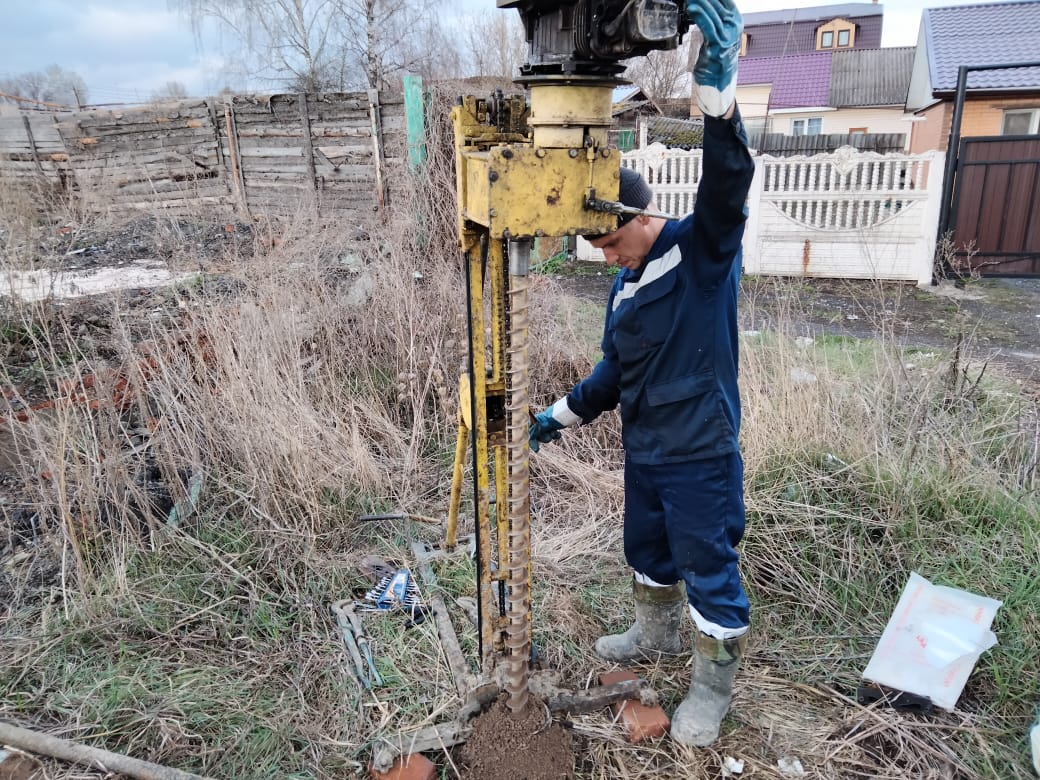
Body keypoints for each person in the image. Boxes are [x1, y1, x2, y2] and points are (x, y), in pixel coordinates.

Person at [528, 0, 753, 748]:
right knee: (648, 549)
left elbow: (728, 187)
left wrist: (717, 101)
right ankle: (653, 636)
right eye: (596, 247)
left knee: (706, 565)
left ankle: (711, 692)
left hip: (699, 451)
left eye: (610, 240)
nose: (605, 256)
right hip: (648, 450)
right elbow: (615, 371)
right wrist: (559, 415)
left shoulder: (700, 253)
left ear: (641, 217)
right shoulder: (625, 284)